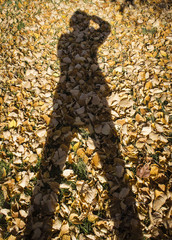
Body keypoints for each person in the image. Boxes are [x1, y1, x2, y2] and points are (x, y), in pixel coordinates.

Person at [24, 10, 142, 240]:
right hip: (90, 88)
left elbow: (97, 34)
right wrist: (95, 19)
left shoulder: (65, 39)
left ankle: (42, 209)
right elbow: (105, 28)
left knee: (58, 143)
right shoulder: (82, 38)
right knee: (107, 146)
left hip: (66, 93)